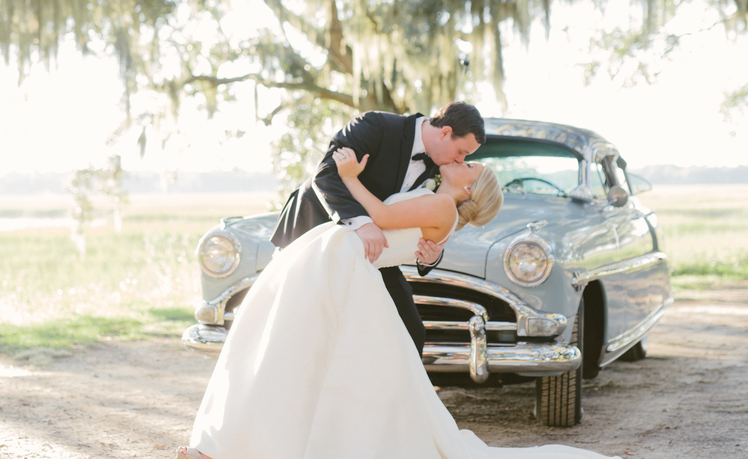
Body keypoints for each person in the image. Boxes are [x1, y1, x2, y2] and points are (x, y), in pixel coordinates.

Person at [177, 150, 620, 459]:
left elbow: (383, 218)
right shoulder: (435, 197)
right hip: (338, 261)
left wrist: (348, 176)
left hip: (343, 264)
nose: (462, 161)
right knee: (295, 356)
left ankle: (243, 447)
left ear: (470, 188)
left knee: (289, 353)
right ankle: (240, 445)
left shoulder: (443, 207)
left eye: (469, 165)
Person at [271, 101, 486, 356]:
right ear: (445, 132)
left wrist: (432, 255)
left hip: (373, 252)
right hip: (316, 230)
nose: (461, 160)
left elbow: (422, 220)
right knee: (303, 327)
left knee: (409, 329)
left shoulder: (442, 167)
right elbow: (325, 174)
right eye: (461, 151)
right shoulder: (376, 125)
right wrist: (361, 223)